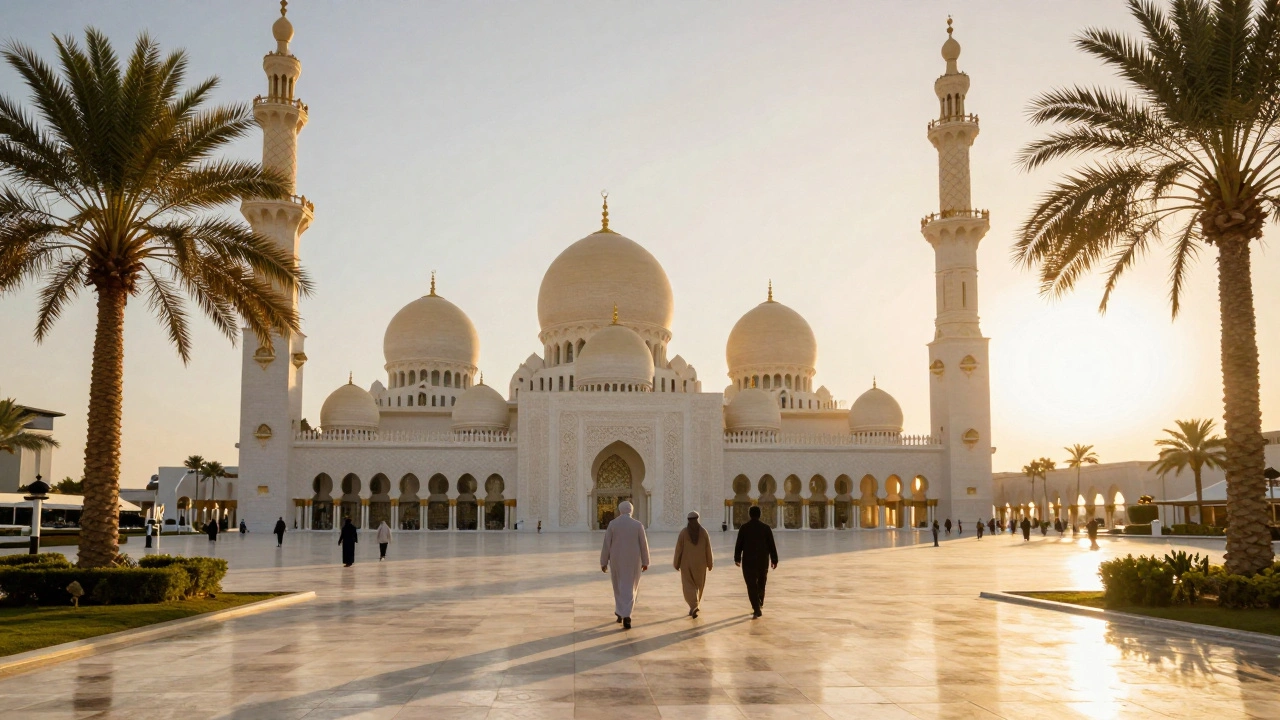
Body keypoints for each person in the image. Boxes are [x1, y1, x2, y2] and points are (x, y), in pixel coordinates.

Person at [600, 500, 649, 630]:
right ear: (631, 510)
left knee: (618, 586)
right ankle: (626, 614)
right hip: (633, 560)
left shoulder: (613, 524)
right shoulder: (638, 525)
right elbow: (644, 545)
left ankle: (621, 612)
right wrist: (645, 561)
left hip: (616, 559)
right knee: (631, 586)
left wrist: (603, 561)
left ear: (620, 510)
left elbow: (606, 544)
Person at [734, 505, 778, 618]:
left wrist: (737, 558)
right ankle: (759, 602)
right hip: (762, 561)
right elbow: (772, 545)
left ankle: (756, 607)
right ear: (760, 515)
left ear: (750, 514)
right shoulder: (766, 528)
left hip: (748, 561)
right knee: (762, 583)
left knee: (751, 585)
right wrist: (774, 559)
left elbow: (739, 545)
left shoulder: (744, 528)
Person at [673, 511, 713, 618]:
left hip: (686, 564)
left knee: (688, 585)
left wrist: (676, 563)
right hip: (700, 564)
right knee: (699, 585)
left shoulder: (684, 532)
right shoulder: (703, 532)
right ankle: (695, 605)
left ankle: (693, 605)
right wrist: (710, 563)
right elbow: (708, 549)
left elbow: (678, 550)